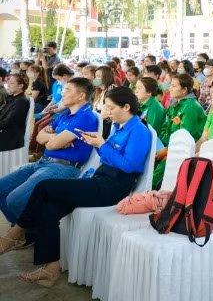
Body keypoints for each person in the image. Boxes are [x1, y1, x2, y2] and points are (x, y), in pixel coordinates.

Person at [0, 87, 151, 286]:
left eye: (111, 108)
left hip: (113, 188)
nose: (106, 112)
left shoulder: (139, 130)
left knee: (45, 187)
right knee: (49, 210)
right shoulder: (118, 127)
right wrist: (98, 145)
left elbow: (131, 166)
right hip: (100, 180)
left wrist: (102, 145)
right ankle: (50, 269)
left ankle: (16, 233)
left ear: (126, 107)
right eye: (105, 107)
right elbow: (107, 158)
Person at [0, 78, 98, 225]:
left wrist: (52, 139)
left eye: (67, 90)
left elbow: (51, 145)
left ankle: (28, 232)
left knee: (14, 199)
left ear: (81, 96)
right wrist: (56, 137)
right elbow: (40, 137)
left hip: (63, 167)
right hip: (44, 162)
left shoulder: (86, 117)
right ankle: (24, 231)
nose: (62, 93)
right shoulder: (66, 114)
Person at [152, 73, 207, 188]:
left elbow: (186, 137)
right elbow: (165, 127)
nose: (170, 88)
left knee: (155, 176)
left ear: (184, 90)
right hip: (167, 146)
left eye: (174, 86)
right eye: (170, 85)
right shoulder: (174, 103)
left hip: (181, 151)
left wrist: (164, 152)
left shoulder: (190, 107)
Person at [0, 73, 31, 151]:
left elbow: (8, 122)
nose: (8, 85)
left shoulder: (21, 102)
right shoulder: (13, 99)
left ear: (20, 86)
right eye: (8, 83)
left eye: (11, 83)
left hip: (10, 137)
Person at [92, 65, 117, 138]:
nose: (95, 79)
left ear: (106, 77)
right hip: (99, 124)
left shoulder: (112, 90)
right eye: (95, 76)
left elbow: (108, 112)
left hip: (106, 126)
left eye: (98, 76)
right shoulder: (99, 91)